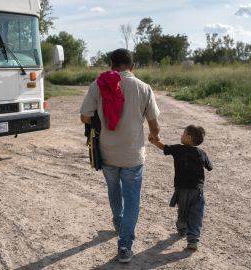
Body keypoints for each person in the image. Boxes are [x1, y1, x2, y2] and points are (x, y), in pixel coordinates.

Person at [80, 48, 161, 263]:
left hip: (107, 153)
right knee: (132, 199)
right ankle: (125, 245)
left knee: (114, 189)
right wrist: (153, 136)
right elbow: (154, 124)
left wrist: (101, 121)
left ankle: (118, 221)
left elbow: (84, 117)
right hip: (133, 155)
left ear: (112, 65)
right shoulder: (144, 88)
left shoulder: (99, 84)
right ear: (132, 66)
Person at [149, 125, 213, 251]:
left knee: (183, 212)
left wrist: (153, 141)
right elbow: (210, 167)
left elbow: (163, 147)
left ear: (188, 138)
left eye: (183, 133)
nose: (181, 135)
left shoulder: (178, 149)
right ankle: (193, 239)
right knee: (196, 214)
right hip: (197, 190)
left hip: (182, 189)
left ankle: (182, 229)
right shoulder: (202, 153)